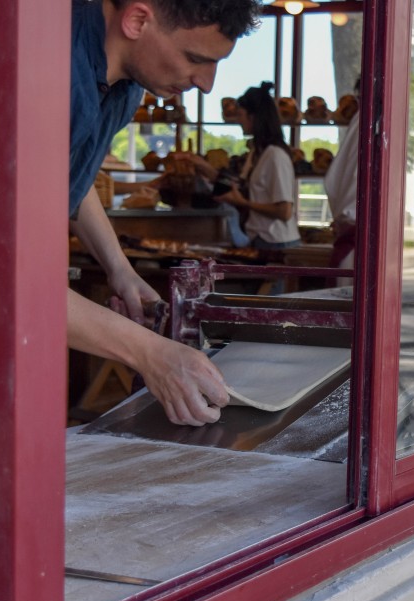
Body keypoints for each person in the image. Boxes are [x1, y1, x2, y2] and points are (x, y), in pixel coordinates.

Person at [67, 0, 262, 426]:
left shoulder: (125, 89)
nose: (207, 84)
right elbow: (4, 279)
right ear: (137, 20)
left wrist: (119, 268)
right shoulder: (55, 74)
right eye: (195, 58)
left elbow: (67, 181)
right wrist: (149, 354)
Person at [181, 82, 301, 251]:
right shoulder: (258, 152)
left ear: (253, 117)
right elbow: (238, 186)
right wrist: (203, 167)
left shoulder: (275, 155)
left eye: (240, 115)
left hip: (277, 243)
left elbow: (284, 211)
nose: (238, 120)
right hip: (262, 239)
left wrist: (243, 203)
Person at [322, 79, 361, 278]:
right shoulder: (368, 119)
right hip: (356, 237)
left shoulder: (366, 120)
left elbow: (335, 182)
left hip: (354, 235)